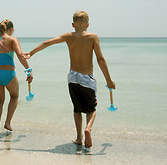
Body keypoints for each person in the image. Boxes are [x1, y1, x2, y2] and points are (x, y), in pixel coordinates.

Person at [23, 11, 116, 148]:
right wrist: (109, 80)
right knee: (91, 109)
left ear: (72, 25)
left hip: (72, 77)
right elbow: (100, 60)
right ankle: (88, 129)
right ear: (88, 25)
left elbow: (48, 42)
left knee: (77, 109)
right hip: (87, 78)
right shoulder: (93, 37)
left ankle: (79, 138)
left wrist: (31, 53)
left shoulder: (68, 36)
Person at [0, 19, 33, 135]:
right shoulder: (12, 40)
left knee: (0, 100)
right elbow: (21, 57)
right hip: (9, 74)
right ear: (11, 29)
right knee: (14, 97)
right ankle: (8, 123)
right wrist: (29, 72)